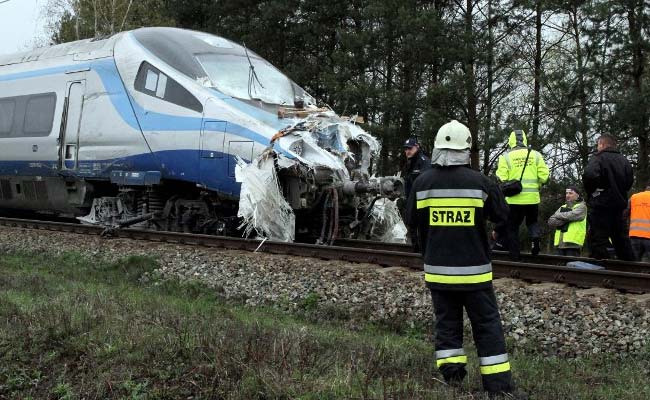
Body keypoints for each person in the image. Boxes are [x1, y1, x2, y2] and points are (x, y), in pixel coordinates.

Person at [406, 120, 523, 398]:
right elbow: (502, 216)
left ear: (436, 147)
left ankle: (452, 378)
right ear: (467, 148)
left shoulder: (422, 183)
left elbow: (411, 220)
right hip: (475, 273)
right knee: (486, 326)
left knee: (446, 324)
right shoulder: (481, 182)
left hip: (438, 272)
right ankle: (498, 388)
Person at [496, 129, 549, 259]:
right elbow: (544, 176)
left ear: (511, 141)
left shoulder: (506, 157)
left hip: (514, 200)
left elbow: (502, 177)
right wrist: (538, 185)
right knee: (532, 222)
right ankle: (535, 239)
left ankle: (515, 257)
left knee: (512, 228)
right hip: (532, 199)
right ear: (524, 139)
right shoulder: (536, 155)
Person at [582, 134, 635, 261]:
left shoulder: (598, 158)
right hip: (619, 205)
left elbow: (589, 175)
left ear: (602, 144)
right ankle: (630, 267)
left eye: (598, 145)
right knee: (621, 239)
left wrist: (593, 191)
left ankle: (601, 266)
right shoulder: (624, 160)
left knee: (598, 237)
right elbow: (629, 181)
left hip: (601, 204)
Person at [547, 186, 587, 257]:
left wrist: (558, 216)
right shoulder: (563, 207)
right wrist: (567, 219)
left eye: (570, 193)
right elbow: (550, 221)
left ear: (578, 195)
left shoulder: (582, 206)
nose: (567, 195)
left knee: (571, 266)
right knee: (558, 267)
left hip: (573, 244)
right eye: (566, 193)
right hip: (559, 244)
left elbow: (571, 216)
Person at [628, 180, 650, 262]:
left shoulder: (634, 197)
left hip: (634, 236)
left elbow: (624, 214)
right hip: (649, 238)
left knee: (634, 265)